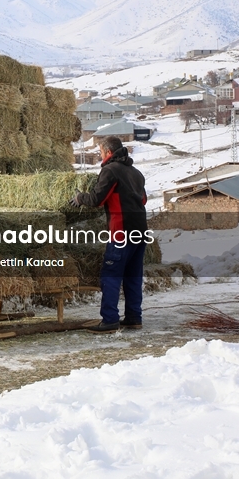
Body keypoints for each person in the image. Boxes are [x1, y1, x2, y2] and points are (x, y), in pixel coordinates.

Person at [71, 135, 148, 333]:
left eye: (100, 151)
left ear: (108, 152)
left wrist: (80, 198)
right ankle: (133, 318)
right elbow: (144, 200)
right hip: (140, 231)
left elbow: (97, 198)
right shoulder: (136, 173)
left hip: (121, 232)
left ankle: (110, 320)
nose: (99, 155)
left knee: (111, 275)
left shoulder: (110, 171)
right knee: (132, 276)